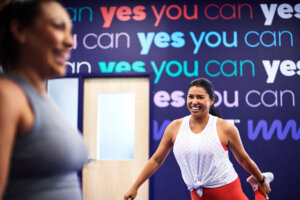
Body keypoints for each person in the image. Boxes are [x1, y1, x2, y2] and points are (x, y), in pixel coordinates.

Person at [124, 78, 273, 200]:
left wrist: (260, 179)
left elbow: (243, 159)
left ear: (212, 100)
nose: (194, 101)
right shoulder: (174, 127)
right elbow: (156, 160)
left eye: (200, 97)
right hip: (197, 194)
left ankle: (257, 189)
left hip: (227, 190)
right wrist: (135, 186)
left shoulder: (225, 128)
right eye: (191, 96)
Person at [0, 0, 88, 199]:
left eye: (70, 30)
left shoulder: (43, 99)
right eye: (58, 27)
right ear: (20, 30)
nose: (70, 42)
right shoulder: (7, 96)